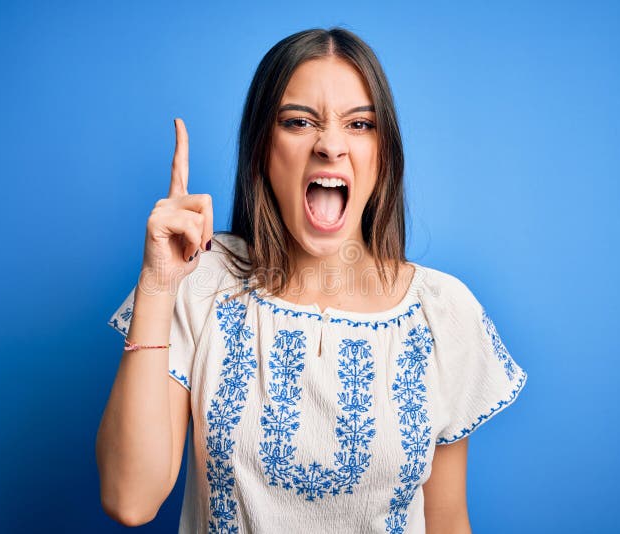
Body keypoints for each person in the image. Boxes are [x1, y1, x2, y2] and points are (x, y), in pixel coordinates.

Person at [96, 27, 527, 533]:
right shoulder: (200, 279)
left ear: (382, 155)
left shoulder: (442, 310)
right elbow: (130, 499)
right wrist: (158, 284)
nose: (330, 145)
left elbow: (448, 521)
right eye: (299, 122)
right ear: (262, 149)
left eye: (359, 124)